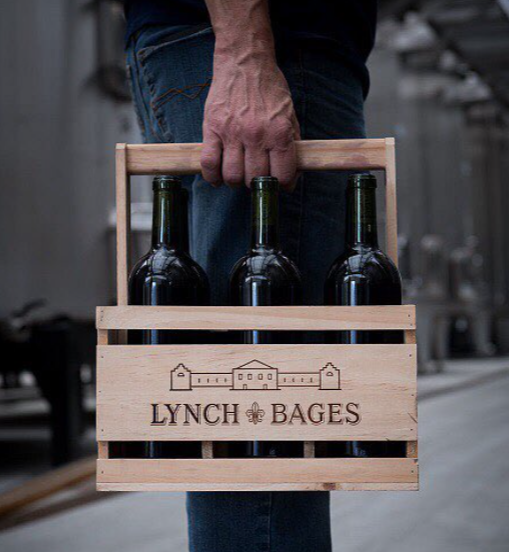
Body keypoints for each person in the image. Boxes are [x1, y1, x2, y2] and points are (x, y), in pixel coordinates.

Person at [124, 1, 377, 550]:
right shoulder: (253, 55)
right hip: (267, 49)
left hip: (240, 48)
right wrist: (245, 52)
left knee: (276, 434)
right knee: (263, 433)